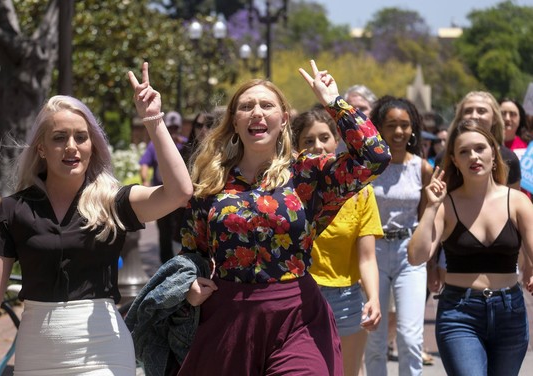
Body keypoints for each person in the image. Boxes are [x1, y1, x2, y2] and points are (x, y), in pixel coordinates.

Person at [0, 62, 193, 376]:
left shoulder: (112, 201)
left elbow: (179, 193)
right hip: (36, 351)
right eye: (59, 137)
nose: (71, 147)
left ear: (92, 146)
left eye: (81, 137)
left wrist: (153, 120)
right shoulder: (13, 210)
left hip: (105, 350)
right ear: (41, 147)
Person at [175, 60, 391, 375]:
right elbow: (193, 250)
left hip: (297, 316)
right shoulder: (211, 183)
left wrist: (334, 103)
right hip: (228, 317)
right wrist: (189, 286)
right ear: (235, 121)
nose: (257, 112)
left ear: (284, 119)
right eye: (246, 107)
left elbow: (375, 157)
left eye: (267, 105)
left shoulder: (308, 173)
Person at [408, 118, 533, 376]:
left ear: (493, 152)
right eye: (464, 151)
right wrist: (430, 207)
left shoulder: (517, 202)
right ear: (454, 159)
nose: (473, 156)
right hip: (459, 313)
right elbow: (416, 256)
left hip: (510, 311)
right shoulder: (444, 205)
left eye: (480, 148)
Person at [291, 108, 382, 376]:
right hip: (299, 297)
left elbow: (366, 257)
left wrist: (374, 297)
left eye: (324, 137)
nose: (318, 146)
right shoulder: (287, 191)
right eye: (308, 141)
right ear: (296, 148)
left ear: (337, 140)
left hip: (346, 301)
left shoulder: (362, 193)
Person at [364, 95, 433, 376]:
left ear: (413, 128)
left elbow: (427, 216)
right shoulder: (368, 168)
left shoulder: (422, 168)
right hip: (373, 252)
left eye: (405, 125)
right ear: (379, 128)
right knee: (374, 337)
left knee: (410, 337)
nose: (399, 132)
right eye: (391, 125)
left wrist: (434, 260)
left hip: (409, 252)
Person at [435, 91, 521, 190]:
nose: (474, 116)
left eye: (481, 111)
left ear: (495, 119)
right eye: (468, 111)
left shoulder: (510, 159)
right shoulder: (444, 158)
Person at [140, 110, 189, 263]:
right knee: (164, 232)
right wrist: (145, 181)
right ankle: (166, 265)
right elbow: (144, 164)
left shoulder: (185, 144)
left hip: (181, 198)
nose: (173, 131)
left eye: (176, 128)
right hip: (162, 194)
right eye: (170, 128)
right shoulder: (154, 145)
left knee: (180, 231)